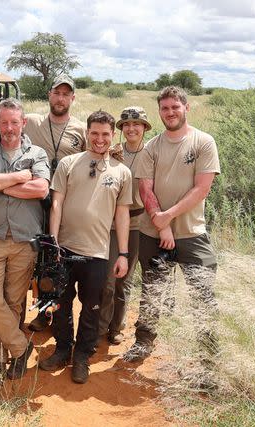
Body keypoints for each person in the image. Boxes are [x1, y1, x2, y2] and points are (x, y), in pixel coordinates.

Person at [0, 74, 86, 332]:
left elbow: (95, 150)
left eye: (66, 94)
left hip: (63, 202)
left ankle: (56, 316)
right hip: (33, 203)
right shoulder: (36, 122)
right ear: (49, 94)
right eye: (56, 93)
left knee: (55, 263)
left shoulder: (81, 128)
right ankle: (42, 315)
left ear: (72, 98)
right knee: (38, 263)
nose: (60, 98)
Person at [123, 87, 220, 370]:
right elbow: (145, 187)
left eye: (175, 107)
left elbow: (201, 189)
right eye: (164, 108)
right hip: (153, 233)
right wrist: (160, 223)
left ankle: (208, 359)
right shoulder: (152, 146)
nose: (170, 112)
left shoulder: (203, 142)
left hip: (192, 233)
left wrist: (169, 217)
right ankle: (143, 342)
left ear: (186, 108)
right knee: (152, 291)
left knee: (203, 295)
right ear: (159, 112)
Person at [38, 111, 132, 384]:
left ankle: (82, 356)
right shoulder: (68, 163)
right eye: (94, 133)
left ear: (112, 135)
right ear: (87, 133)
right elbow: (56, 204)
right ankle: (63, 349)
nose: (100, 139)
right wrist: (53, 242)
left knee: (91, 306)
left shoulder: (121, 172)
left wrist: (123, 254)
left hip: (98, 253)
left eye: (105, 134)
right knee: (60, 303)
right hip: (64, 249)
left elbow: (122, 215)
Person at [0, 98, 50, 385]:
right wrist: (18, 177)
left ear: (23, 123)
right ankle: (21, 347)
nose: (8, 128)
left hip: (23, 240)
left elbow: (41, 189)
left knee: (13, 303)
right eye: (3, 122)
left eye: (14, 122)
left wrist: (0, 184)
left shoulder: (37, 152)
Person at [98, 106, 151, 345]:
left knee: (125, 279)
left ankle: (117, 326)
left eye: (136, 124)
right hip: (112, 222)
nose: (131, 129)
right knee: (109, 278)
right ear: (120, 129)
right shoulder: (111, 152)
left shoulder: (151, 154)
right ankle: (100, 327)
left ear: (144, 128)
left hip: (138, 223)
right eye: (126, 125)